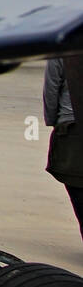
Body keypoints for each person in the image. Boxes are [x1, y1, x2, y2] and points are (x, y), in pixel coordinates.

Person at [43, 56, 83, 240]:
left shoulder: (63, 46)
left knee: (78, 190)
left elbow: (51, 88)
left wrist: (54, 122)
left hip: (72, 129)